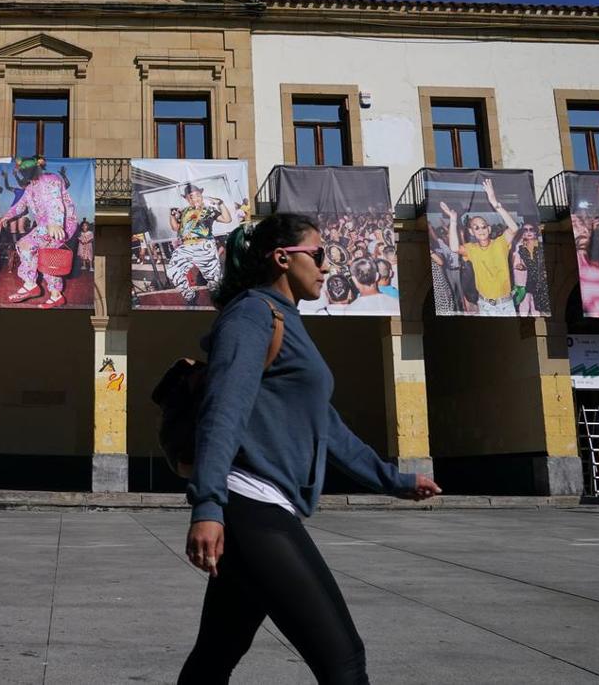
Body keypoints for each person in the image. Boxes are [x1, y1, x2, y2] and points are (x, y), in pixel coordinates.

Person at [180, 213, 441, 684]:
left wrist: (395, 480)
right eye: (318, 255)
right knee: (343, 659)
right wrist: (208, 504)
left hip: (261, 504)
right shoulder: (252, 314)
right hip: (249, 504)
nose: (326, 267)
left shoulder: (287, 321)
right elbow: (224, 410)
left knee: (215, 655)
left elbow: (328, 428)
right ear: (282, 258)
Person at [0, 157, 78, 309]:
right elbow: (20, 206)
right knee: (47, 258)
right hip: (47, 225)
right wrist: (6, 216)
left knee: (25, 245)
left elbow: (55, 202)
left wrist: (55, 223)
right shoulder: (30, 188)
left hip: (62, 224)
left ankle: (30, 283)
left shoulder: (50, 180)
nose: (25, 174)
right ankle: (56, 296)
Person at [440, 179, 519, 316]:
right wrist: (453, 220)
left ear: (488, 229)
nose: (480, 230)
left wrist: (495, 203)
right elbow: (454, 247)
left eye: (483, 226)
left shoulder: (500, 243)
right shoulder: (472, 249)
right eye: (476, 228)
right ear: (472, 232)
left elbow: (513, 228)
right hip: (485, 305)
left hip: (506, 304)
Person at [167, 182, 233, 306]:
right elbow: (175, 228)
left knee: (214, 279)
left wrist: (220, 203)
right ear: (186, 199)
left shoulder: (208, 210)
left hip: (204, 245)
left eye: (197, 195)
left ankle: (218, 300)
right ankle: (190, 295)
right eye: (190, 197)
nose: (194, 198)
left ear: (201, 195)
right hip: (185, 246)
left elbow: (227, 219)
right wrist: (171, 215)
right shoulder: (184, 211)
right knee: (172, 271)